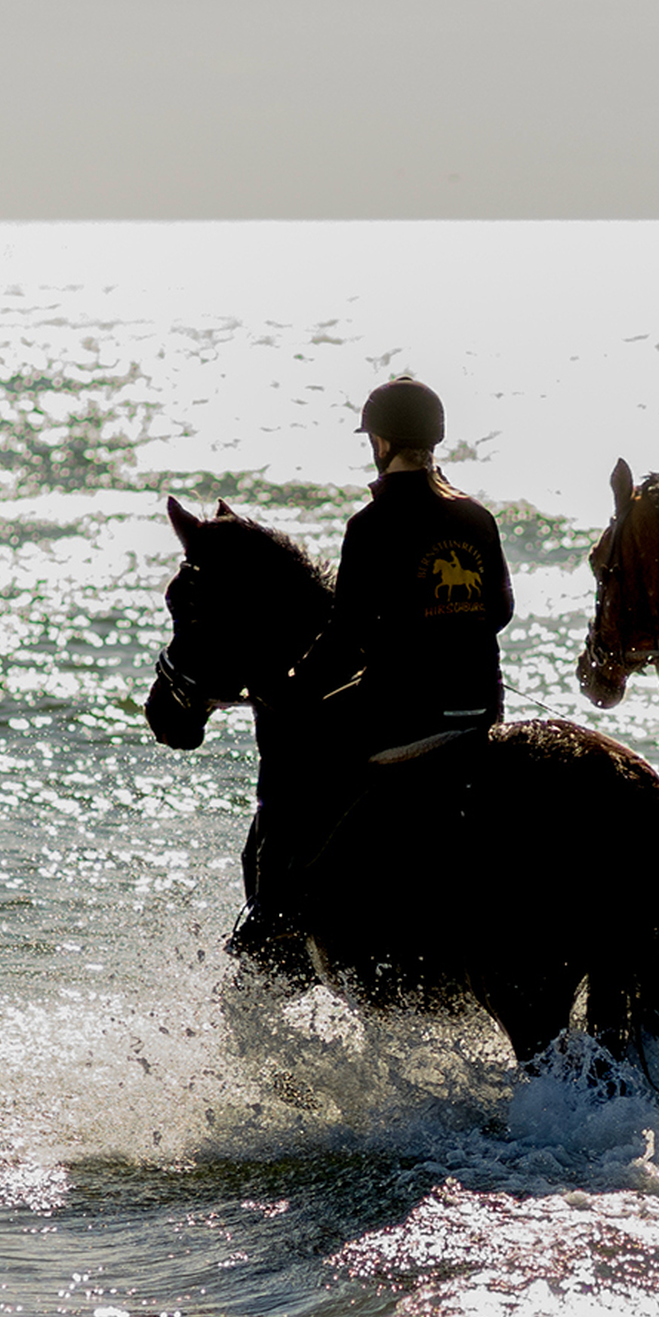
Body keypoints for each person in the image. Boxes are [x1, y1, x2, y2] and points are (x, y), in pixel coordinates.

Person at [232, 377, 515, 959]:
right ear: (433, 438)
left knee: (290, 750)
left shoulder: (371, 524)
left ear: (381, 442)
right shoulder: (476, 517)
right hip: (481, 704)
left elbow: (345, 637)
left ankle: (274, 905)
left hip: (402, 711)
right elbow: (501, 612)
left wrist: (289, 689)